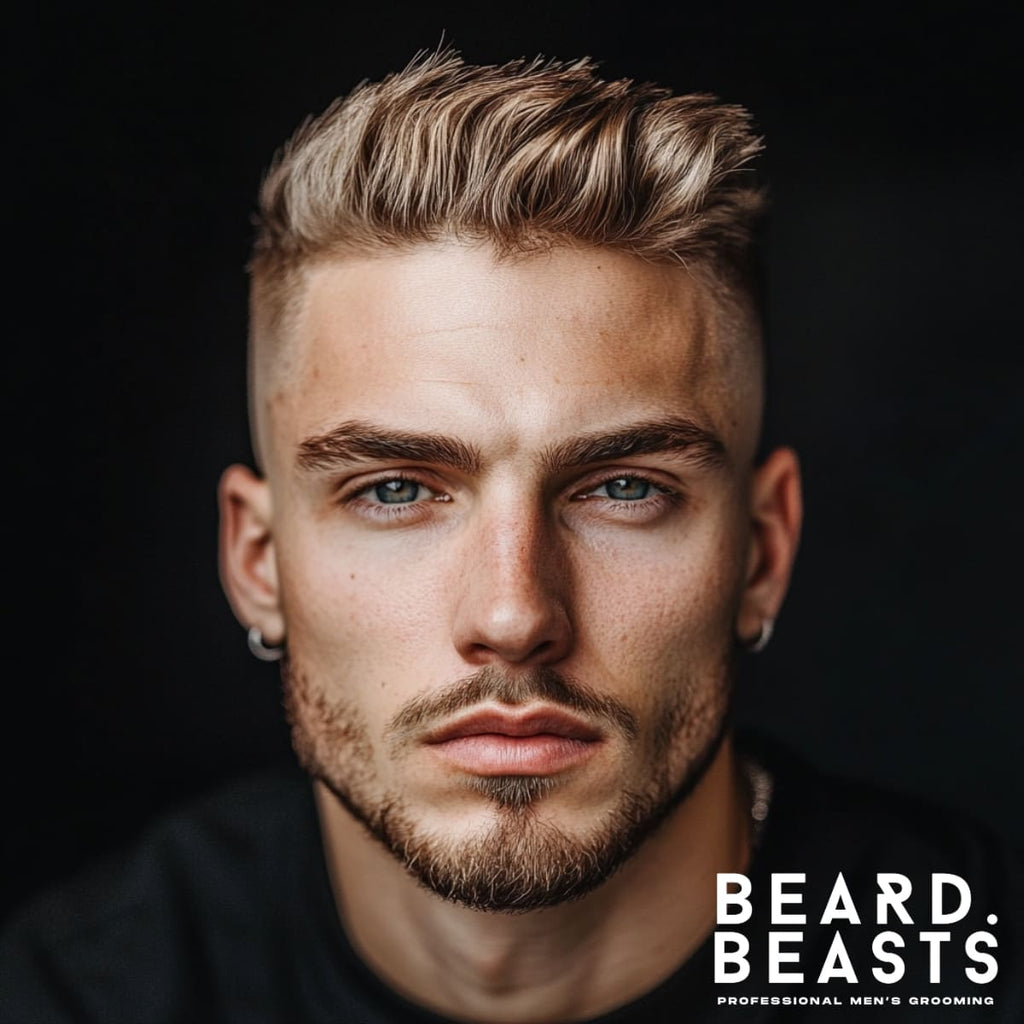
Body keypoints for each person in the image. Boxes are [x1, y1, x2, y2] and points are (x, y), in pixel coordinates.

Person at [2, 51, 1021, 1024]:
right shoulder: (84, 994)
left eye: (623, 486)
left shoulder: (969, 970)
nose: (513, 612)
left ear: (761, 550)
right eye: (396, 489)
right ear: (257, 562)